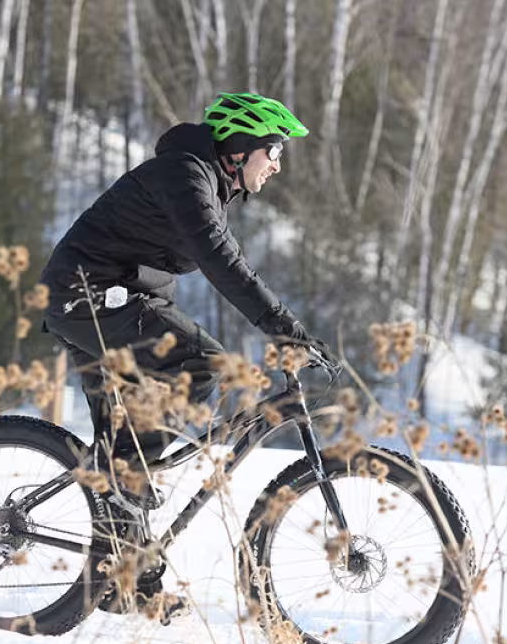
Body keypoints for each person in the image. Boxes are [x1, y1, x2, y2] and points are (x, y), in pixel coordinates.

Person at [40, 91, 333, 483]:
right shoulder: (185, 177)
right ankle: (124, 482)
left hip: (102, 299)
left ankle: (119, 525)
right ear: (242, 147)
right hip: (88, 298)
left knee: (121, 452)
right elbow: (221, 259)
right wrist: (286, 329)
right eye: (274, 150)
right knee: (202, 362)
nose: (277, 166)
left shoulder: (203, 181)